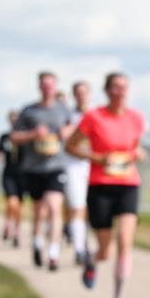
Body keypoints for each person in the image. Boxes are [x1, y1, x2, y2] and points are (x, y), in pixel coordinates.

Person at [66, 72, 146, 298]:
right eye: (115, 88)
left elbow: (137, 147)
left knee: (124, 241)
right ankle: (91, 261)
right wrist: (99, 158)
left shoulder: (136, 118)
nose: (120, 92)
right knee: (105, 252)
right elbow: (71, 146)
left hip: (128, 184)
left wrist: (138, 154)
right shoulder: (93, 117)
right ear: (106, 90)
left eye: (124, 88)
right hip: (100, 186)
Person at [12, 71, 75, 271]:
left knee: (55, 206)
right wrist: (33, 134)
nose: (48, 88)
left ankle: (53, 253)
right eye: (44, 85)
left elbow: (75, 128)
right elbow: (14, 137)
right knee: (39, 211)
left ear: (56, 87)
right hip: (34, 167)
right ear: (39, 87)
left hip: (56, 166)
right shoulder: (29, 111)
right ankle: (37, 242)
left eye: (51, 85)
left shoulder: (63, 109)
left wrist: (68, 132)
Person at [63, 81, 92, 265]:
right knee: (76, 206)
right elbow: (63, 135)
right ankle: (80, 248)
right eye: (78, 93)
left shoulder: (95, 114)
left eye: (84, 92)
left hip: (94, 164)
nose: (81, 96)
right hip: (73, 164)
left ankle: (85, 240)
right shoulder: (68, 116)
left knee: (91, 208)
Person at [0, 111, 26, 248]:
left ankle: (16, 232)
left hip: (23, 175)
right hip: (8, 174)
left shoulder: (25, 138)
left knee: (19, 205)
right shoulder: (4, 137)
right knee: (11, 202)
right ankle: (8, 222)